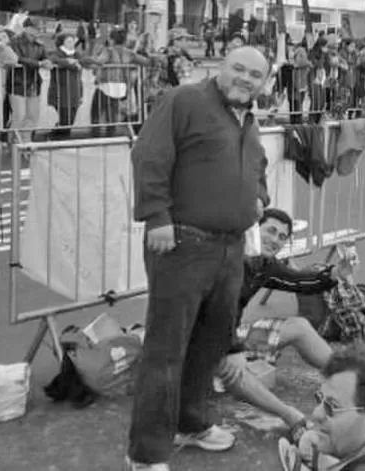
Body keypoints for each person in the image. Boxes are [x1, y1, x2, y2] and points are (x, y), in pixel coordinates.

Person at [126, 46, 271, 471]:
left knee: (208, 345)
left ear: (264, 82)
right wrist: (156, 217)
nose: (245, 78)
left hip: (229, 249)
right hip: (183, 246)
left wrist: (259, 198)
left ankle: (191, 422)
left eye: (255, 74)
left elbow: (257, 166)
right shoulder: (184, 100)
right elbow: (149, 156)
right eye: (238, 69)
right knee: (166, 351)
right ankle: (146, 452)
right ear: (220, 68)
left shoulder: (248, 119)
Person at [216, 208, 338, 431]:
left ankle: (350, 375)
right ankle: (290, 416)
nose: (275, 240)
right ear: (254, 229)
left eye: (282, 237)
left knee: (299, 326)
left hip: (231, 332)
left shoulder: (264, 265)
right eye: (270, 231)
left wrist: (333, 275)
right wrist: (233, 349)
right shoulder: (227, 254)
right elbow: (213, 312)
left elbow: (299, 282)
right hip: (198, 339)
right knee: (233, 368)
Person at [8, 17, 52, 141]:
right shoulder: (15, 42)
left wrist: (48, 62)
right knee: (19, 116)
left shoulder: (39, 44)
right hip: (17, 82)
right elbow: (17, 58)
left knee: (32, 116)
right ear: (26, 28)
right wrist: (39, 64)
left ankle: (26, 142)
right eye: (35, 28)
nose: (38, 30)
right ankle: (12, 142)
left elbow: (46, 57)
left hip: (34, 83)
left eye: (39, 28)